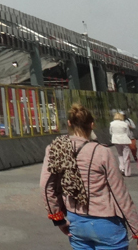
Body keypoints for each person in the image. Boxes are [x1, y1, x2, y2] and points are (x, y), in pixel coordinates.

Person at [41, 103, 138, 249]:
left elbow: (46, 186)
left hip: (76, 223)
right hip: (107, 224)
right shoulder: (102, 152)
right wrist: (135, 229)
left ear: (69, 123)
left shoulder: (54, 149)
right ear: (92, 125)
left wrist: (58, 219)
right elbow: (120, 194)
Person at [111, 112, 132, 176]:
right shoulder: (125, 124)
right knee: (126, 156)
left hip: (116, 140)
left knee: (120, 154)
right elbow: (128, 133)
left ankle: (122, 168)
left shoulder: (112, 124)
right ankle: (127, 172)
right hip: (124, 140)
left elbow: (111, 132)